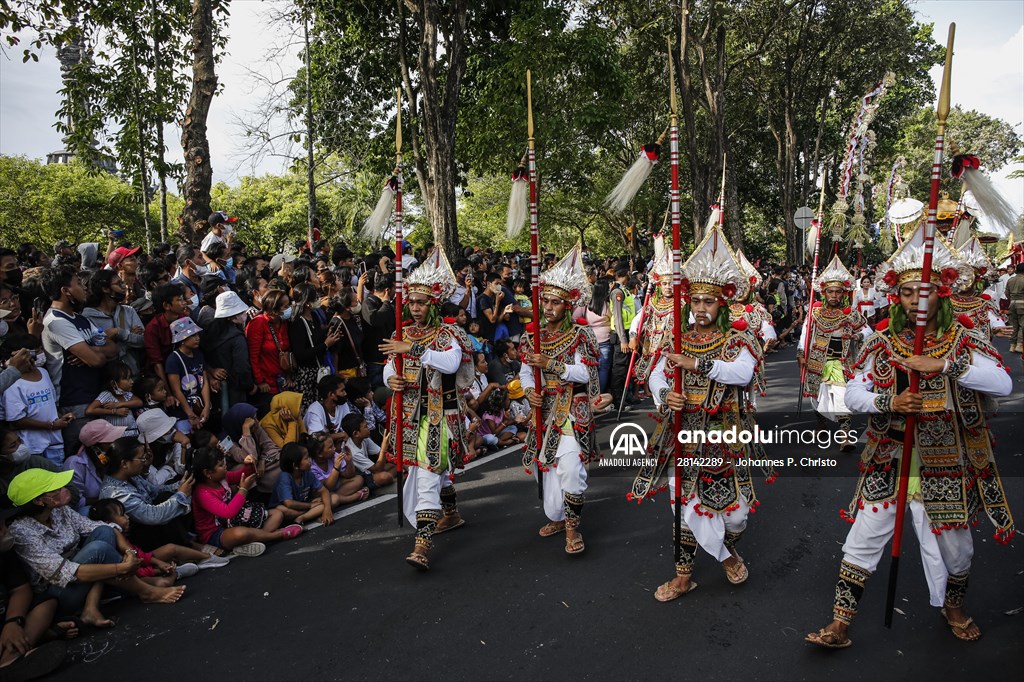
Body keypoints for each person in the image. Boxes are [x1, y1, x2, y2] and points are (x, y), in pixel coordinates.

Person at [806, 225, 1014, 648]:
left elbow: (1002, 384)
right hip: (892, 456)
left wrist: (945, 367)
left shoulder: (964, 339)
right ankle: (840, 624)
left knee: (957, 551)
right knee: (862, 540)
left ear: (942, 293)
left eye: (925, 291)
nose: (916, 300)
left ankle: (953, 607)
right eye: (906, 293)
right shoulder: (881, 342)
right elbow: (854, 391)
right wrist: (890, 403)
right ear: (895, 297)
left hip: (948, 460)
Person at [629, 227, 764, 601]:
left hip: (726, 434)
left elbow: (743, 372)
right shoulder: (675, 337)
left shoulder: (738, 340)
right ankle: (687, 575)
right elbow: (657, 373)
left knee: (735, 515)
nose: (702, 307)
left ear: (723, 304)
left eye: (710, 301)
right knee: (686, 505)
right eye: (697, 301)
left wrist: (698, 364)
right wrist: (663, 393)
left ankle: (727, 545)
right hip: (683, 433)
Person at [381, 248, 474, 571]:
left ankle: (422, 545)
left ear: (433, 303)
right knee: (431, 471)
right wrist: (391, 379)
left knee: (428, 475)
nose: (415, 307)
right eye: (412, 301)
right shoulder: (400, 332)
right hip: (409, 416)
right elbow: (391, 365)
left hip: (439, 417)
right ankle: (451, 513)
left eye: (421, 302)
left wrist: (415, 348)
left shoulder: (448, 334)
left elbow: (451, 363)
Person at [6, 469, 185, 627]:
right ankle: (147, 591)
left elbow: (102, 528)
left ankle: (91, 607)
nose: (63, 490)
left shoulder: (59, 510)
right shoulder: (22, 532)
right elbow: (65, 573)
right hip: (59, 591)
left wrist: (129, 552)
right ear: (38, 501)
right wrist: (121, 567)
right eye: (56, 489)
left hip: (85, 571)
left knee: (103, 534)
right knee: (98, 549)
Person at [519, 242, 600, 556]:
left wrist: (552, 365)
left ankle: (571, 527)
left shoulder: (580, 335)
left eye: (555, 302)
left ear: (568, 305)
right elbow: (526, 372)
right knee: (549, 472)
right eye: (546, 301)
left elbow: (585, 375)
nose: (549, 307)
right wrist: (529, 392)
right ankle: (560, 517)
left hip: (571, 410)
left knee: (570, 469)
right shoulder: (533, 335)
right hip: (544, 411)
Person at [40, 266, 120, 453]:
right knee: (84, 459)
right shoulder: (56, 322)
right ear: (65, 291)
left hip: (96, 398)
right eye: (78, 283)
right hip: (75, 404)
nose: (84, 287)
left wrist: (88, 349)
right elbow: (97, 361)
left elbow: (113, 349)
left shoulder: (81, 319)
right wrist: (94, 354)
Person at [796, 255, 871, 453]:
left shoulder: (850, 314)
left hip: (840, 362)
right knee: (817, 397)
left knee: (841, 397)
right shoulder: (815, 312)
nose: (834, 296)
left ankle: (845, 436)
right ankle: (821, 423)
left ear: (843, 293)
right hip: (816, 360)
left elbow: (868, 330)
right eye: (831, 292)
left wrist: (856, 335)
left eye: (838, 292)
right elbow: (805, 332)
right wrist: (800, 353)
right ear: (824, 292)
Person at [0, 503, 70, 681]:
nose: (4, 530)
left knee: (47, 603)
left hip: (8, 616)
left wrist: (13, 623)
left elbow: (20, 589)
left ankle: (10, 659)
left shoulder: (5, 555)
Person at [190, 447, 300, 557]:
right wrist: (243, 489)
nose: (225, 466)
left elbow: (242, 474)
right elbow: (228, 512)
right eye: (220, 465)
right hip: (216, 533)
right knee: (240, 534)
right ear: (207, 472)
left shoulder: (222, 478)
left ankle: (251, 541)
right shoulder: (202, 493)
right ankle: (279, 534)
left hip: (235, 520)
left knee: (277, 514)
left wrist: (249, 464)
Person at [98, 437, 194, 552]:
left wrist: (181, 485)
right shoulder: (116, 493)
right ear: (124, 463)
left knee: (166, 495)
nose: (145, 461)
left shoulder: (132, 476)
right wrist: (180, 495)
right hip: (139, 539)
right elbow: (152, 516)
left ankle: (187, 541)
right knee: (169, 501)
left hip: (150, 526)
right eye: (142, 458)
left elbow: (155, 491)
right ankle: (186, 547)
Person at [2, 335, 68, 466]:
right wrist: (52, 426)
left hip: (54, 443)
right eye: (35, 352)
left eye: (40, 350)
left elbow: (50, 405)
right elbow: (16, 420)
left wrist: (61, 418)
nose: (40, 354)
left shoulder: (43, 372)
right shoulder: (11, 382)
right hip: (33, 446)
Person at [82, 269, 146, 375]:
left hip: (133, 374)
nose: (123, 287)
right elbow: (96, 350)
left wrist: (119, 332)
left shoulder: (128, 311)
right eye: (118, 283)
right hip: (106, 378)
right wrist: (129, 336)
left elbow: (143, 341)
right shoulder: (89, 318)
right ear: (105, 289)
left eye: (122, 282)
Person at [63, 420, 126, 516]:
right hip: (90, 510)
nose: (115, 444)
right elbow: (77, 502)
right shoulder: (75, 464)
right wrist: (110, 499)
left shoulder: (114, 458)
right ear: (96, 447)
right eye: (110, 442)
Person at [205, 291, 256, 408]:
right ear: (232, 316)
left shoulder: (210, 331)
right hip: (235, 389)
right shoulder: (237, 338)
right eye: (242, 312)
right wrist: (250, 385)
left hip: (215, 388)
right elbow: (242, 367)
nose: (245, 314)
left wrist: (211, 371)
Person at [246, 288, 292, 414]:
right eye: (285, 306)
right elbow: (253, 356)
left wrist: (288, 375)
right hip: (266, 385)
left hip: (282, 381)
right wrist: (260, 381)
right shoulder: (258, 323)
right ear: (274, 309)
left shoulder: (283, 322)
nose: (289, 309)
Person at [164, 317, 211, 434]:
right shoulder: (173, 360)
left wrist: (206, 407)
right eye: (193, 336)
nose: (197, 338)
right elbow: (176, 391)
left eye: (197, 335)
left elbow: (204, 382)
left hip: (200, 405)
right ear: (182, 340)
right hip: (183, 411)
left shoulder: (199, 354)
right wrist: (190, 415)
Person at [270, 442, 333, 525]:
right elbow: (288, 503)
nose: (310, 460)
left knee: (324, 504)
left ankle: (301, 518)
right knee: (282, 510)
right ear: (295, 465)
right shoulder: (285, 477)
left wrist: (327, 510)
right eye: (306, 458)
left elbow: (324, 491)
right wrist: (310, 506)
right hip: (287, 508)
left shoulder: (307, 473)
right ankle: (310, 514)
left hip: (301, 505)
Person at [305, 432, 370, 509]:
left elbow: (349, 475)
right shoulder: (311, 466)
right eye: (330, 447)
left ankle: (336, 498)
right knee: (332, 499)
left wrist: (349, 462)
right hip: (323, 492)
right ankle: (352, 497)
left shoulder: (333, 455)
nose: (334, 448)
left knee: (358, 479)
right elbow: (327, 487)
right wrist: (336, 468)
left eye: (333, 445)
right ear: (319, 454)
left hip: (335, 490)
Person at [143, 283, 189, 383]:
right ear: (166, 306)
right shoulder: (152, 328)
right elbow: (157, 364)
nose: (184, 303)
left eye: (183, 299)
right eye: (179, 300)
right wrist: (168, 393)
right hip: (162, 376)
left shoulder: (184, 320)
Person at [84, 361, 141, 438]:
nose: (131, 381)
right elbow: (90, 410)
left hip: (132, 434)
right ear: (113, 383)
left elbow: (139, 402)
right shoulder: (107, 395)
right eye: (126, 379)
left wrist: (118, 404)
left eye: (130, 378)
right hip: (117, 438)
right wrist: (114, 411)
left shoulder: (126, 394)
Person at [574, 279, 613, 392]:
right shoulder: (607, 306)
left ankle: (590, 393)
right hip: (605, 340)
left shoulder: (586, 305)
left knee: (591, 367)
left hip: (589, 340)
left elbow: (574, 318)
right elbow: (613, 321)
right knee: (603, 369)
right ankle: (598, 395)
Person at [339, 413, 395, 490]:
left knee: (394, 465)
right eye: (365, 427)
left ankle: (398, 476)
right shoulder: (353, 452)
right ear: (356, 433)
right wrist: (384, 449)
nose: (368, 428)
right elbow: (377, 469)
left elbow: (384, 455)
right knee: (385, 476)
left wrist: (399, 461)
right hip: (363, 478)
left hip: (371, 472)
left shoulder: (364, 439)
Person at [1007, 262, 1024, 354]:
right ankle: (1019, 344)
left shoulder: (1011, 280)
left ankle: (1012, 345)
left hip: (1012, 303)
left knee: (1014, 325)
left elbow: (1007, 293)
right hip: (1022, 304)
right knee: (1022, 325)